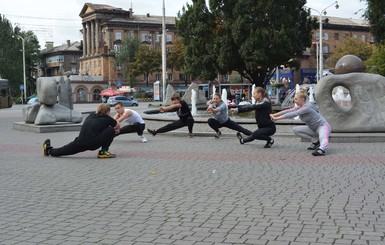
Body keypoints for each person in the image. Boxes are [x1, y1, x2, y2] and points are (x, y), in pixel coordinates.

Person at [42, 103, 120, 158]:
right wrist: (115, 131)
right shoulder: (107, 118)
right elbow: (117, 126)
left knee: (64, 150)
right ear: (107, 112)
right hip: (93, 143)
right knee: (111, 130)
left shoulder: (91, 115)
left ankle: (48, 150)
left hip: (80, 141)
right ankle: (104, 152)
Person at [270, 91, 331, 156]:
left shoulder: (306, 107)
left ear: (302, 99)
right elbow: (287, 111)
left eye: (296, 99)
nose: (294, 100)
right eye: (294, 99)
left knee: (323, 137)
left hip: (322, 126)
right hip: (313, 129)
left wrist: (276, 119)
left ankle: (322, 149)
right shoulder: (299, 107)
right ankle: (315, 142)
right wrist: (274, 115)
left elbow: (292, 114)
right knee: (296, 130)